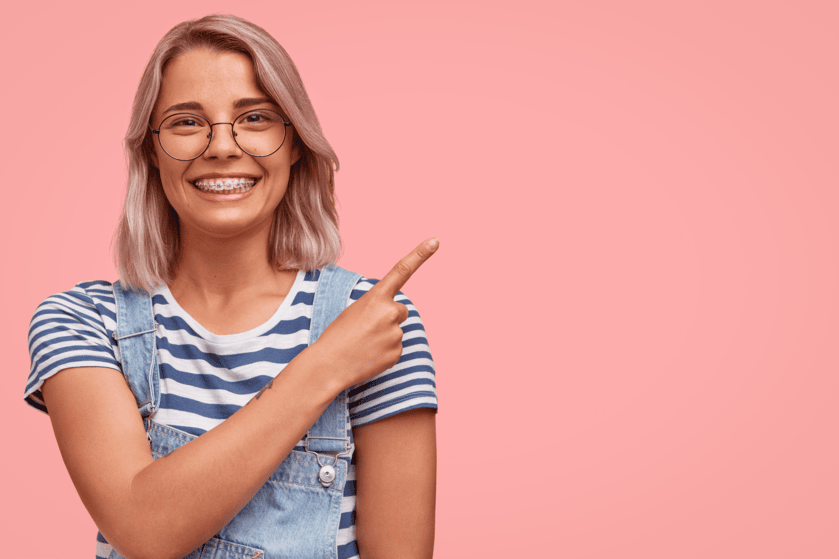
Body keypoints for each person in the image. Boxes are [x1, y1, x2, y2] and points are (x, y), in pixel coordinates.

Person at [24, 14, 438, 559]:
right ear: (151, 150)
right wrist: (326, 365)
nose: (222, 146)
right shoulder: (80, 321)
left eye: (256, 117)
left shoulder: (375, 319)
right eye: (186, 122)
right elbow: (144, 530)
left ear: (294, 143)